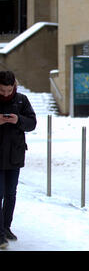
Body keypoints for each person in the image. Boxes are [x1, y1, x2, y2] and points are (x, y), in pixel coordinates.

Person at [0, 71, 37, 249]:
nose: (6, 94)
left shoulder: (22, 100)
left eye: (9, 90)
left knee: (11, 194)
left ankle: (6, 227)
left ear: (14, 86)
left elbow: (32, 123)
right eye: (2, 91)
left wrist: (18, 120)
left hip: (15, 155)